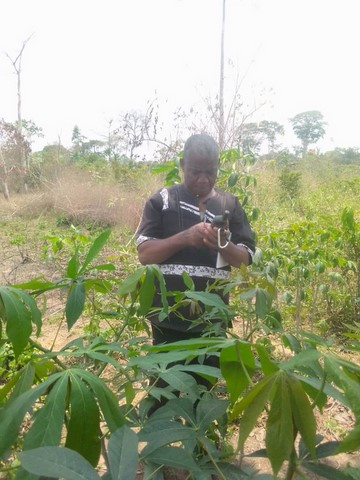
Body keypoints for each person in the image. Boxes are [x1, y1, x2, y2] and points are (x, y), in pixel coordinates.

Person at [135, 133, 255, 399]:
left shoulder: (229, 205)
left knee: (203, 395)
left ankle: (199, 437)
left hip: (212, 322)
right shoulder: (162, 201)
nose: (203, 179)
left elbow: (246, 260)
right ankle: (162, 435)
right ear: (181, 165)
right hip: (168, 320)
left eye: (210, 172)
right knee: (163, 395)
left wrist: (223, 245)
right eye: (195, 172)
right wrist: (185, 237)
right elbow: (145, 254)